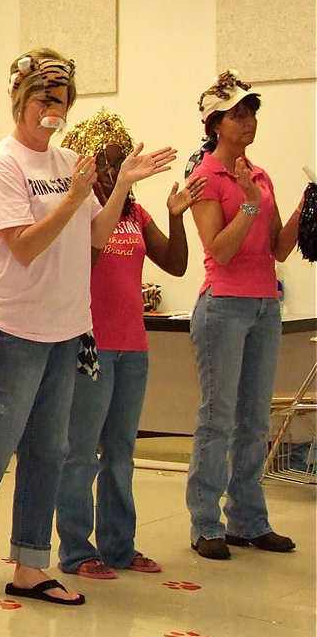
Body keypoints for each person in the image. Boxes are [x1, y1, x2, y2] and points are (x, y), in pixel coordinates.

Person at [0, 48, 174, 605]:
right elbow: (23, 247)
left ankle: (28, 564)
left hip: (66, 326)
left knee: (50, 448)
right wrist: (73, 197)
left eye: (63, 101)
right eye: (45, 99)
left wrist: (117, 184)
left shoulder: (67, 160)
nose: (54, 110)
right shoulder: (2, 165)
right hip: (14, 324)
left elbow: (95, 239)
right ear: (21, 101)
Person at [55, 108, 204, 579]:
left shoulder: (136, 214)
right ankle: (77, 550)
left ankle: (120, 545)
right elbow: (84, 265)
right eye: (104, 164)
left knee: (120, 452)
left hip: (133, 348)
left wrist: (175, 217)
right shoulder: (81, 212)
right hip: (90, 348)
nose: (111, 173)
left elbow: (176, 265)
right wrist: (110, 199)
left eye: (118, 164)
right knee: (81, 453)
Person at [185, 71, 303, 560]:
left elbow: (277, 248)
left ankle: (249, 520)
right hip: (223, 307)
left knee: (255, 422)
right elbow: (221, 250)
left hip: (263, 304)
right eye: (238, 113)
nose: (249, 120)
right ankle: (206, 523)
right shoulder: (204, 179)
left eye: (252, 111)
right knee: (218, 420)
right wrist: (250, 208)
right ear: (215, 124)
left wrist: (304, 207)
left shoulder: (260, 175)